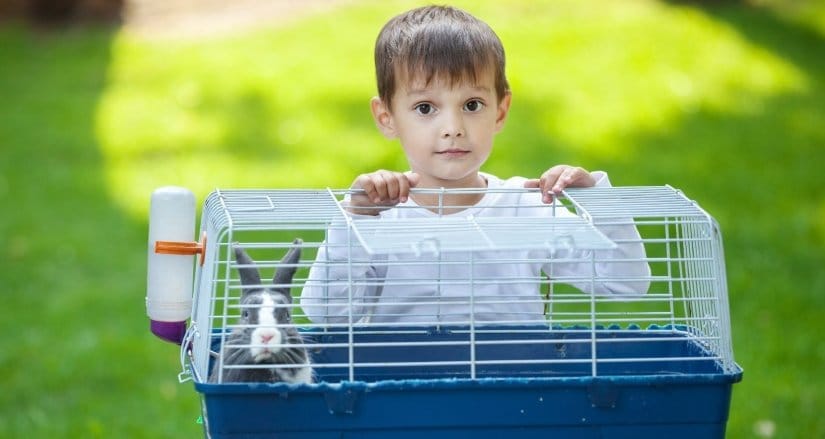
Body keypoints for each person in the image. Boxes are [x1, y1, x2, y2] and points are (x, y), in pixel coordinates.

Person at [300, 5, 650, 325]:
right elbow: (326, 315)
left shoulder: (526, 207)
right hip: (404, 387)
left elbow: (626, 282)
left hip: (515, 385)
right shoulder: (377, 213)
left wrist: (597, 201)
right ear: (386, 116)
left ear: (500, 110)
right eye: (425, 108)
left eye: (472, 104)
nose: (453, 127)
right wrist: (354, 218)